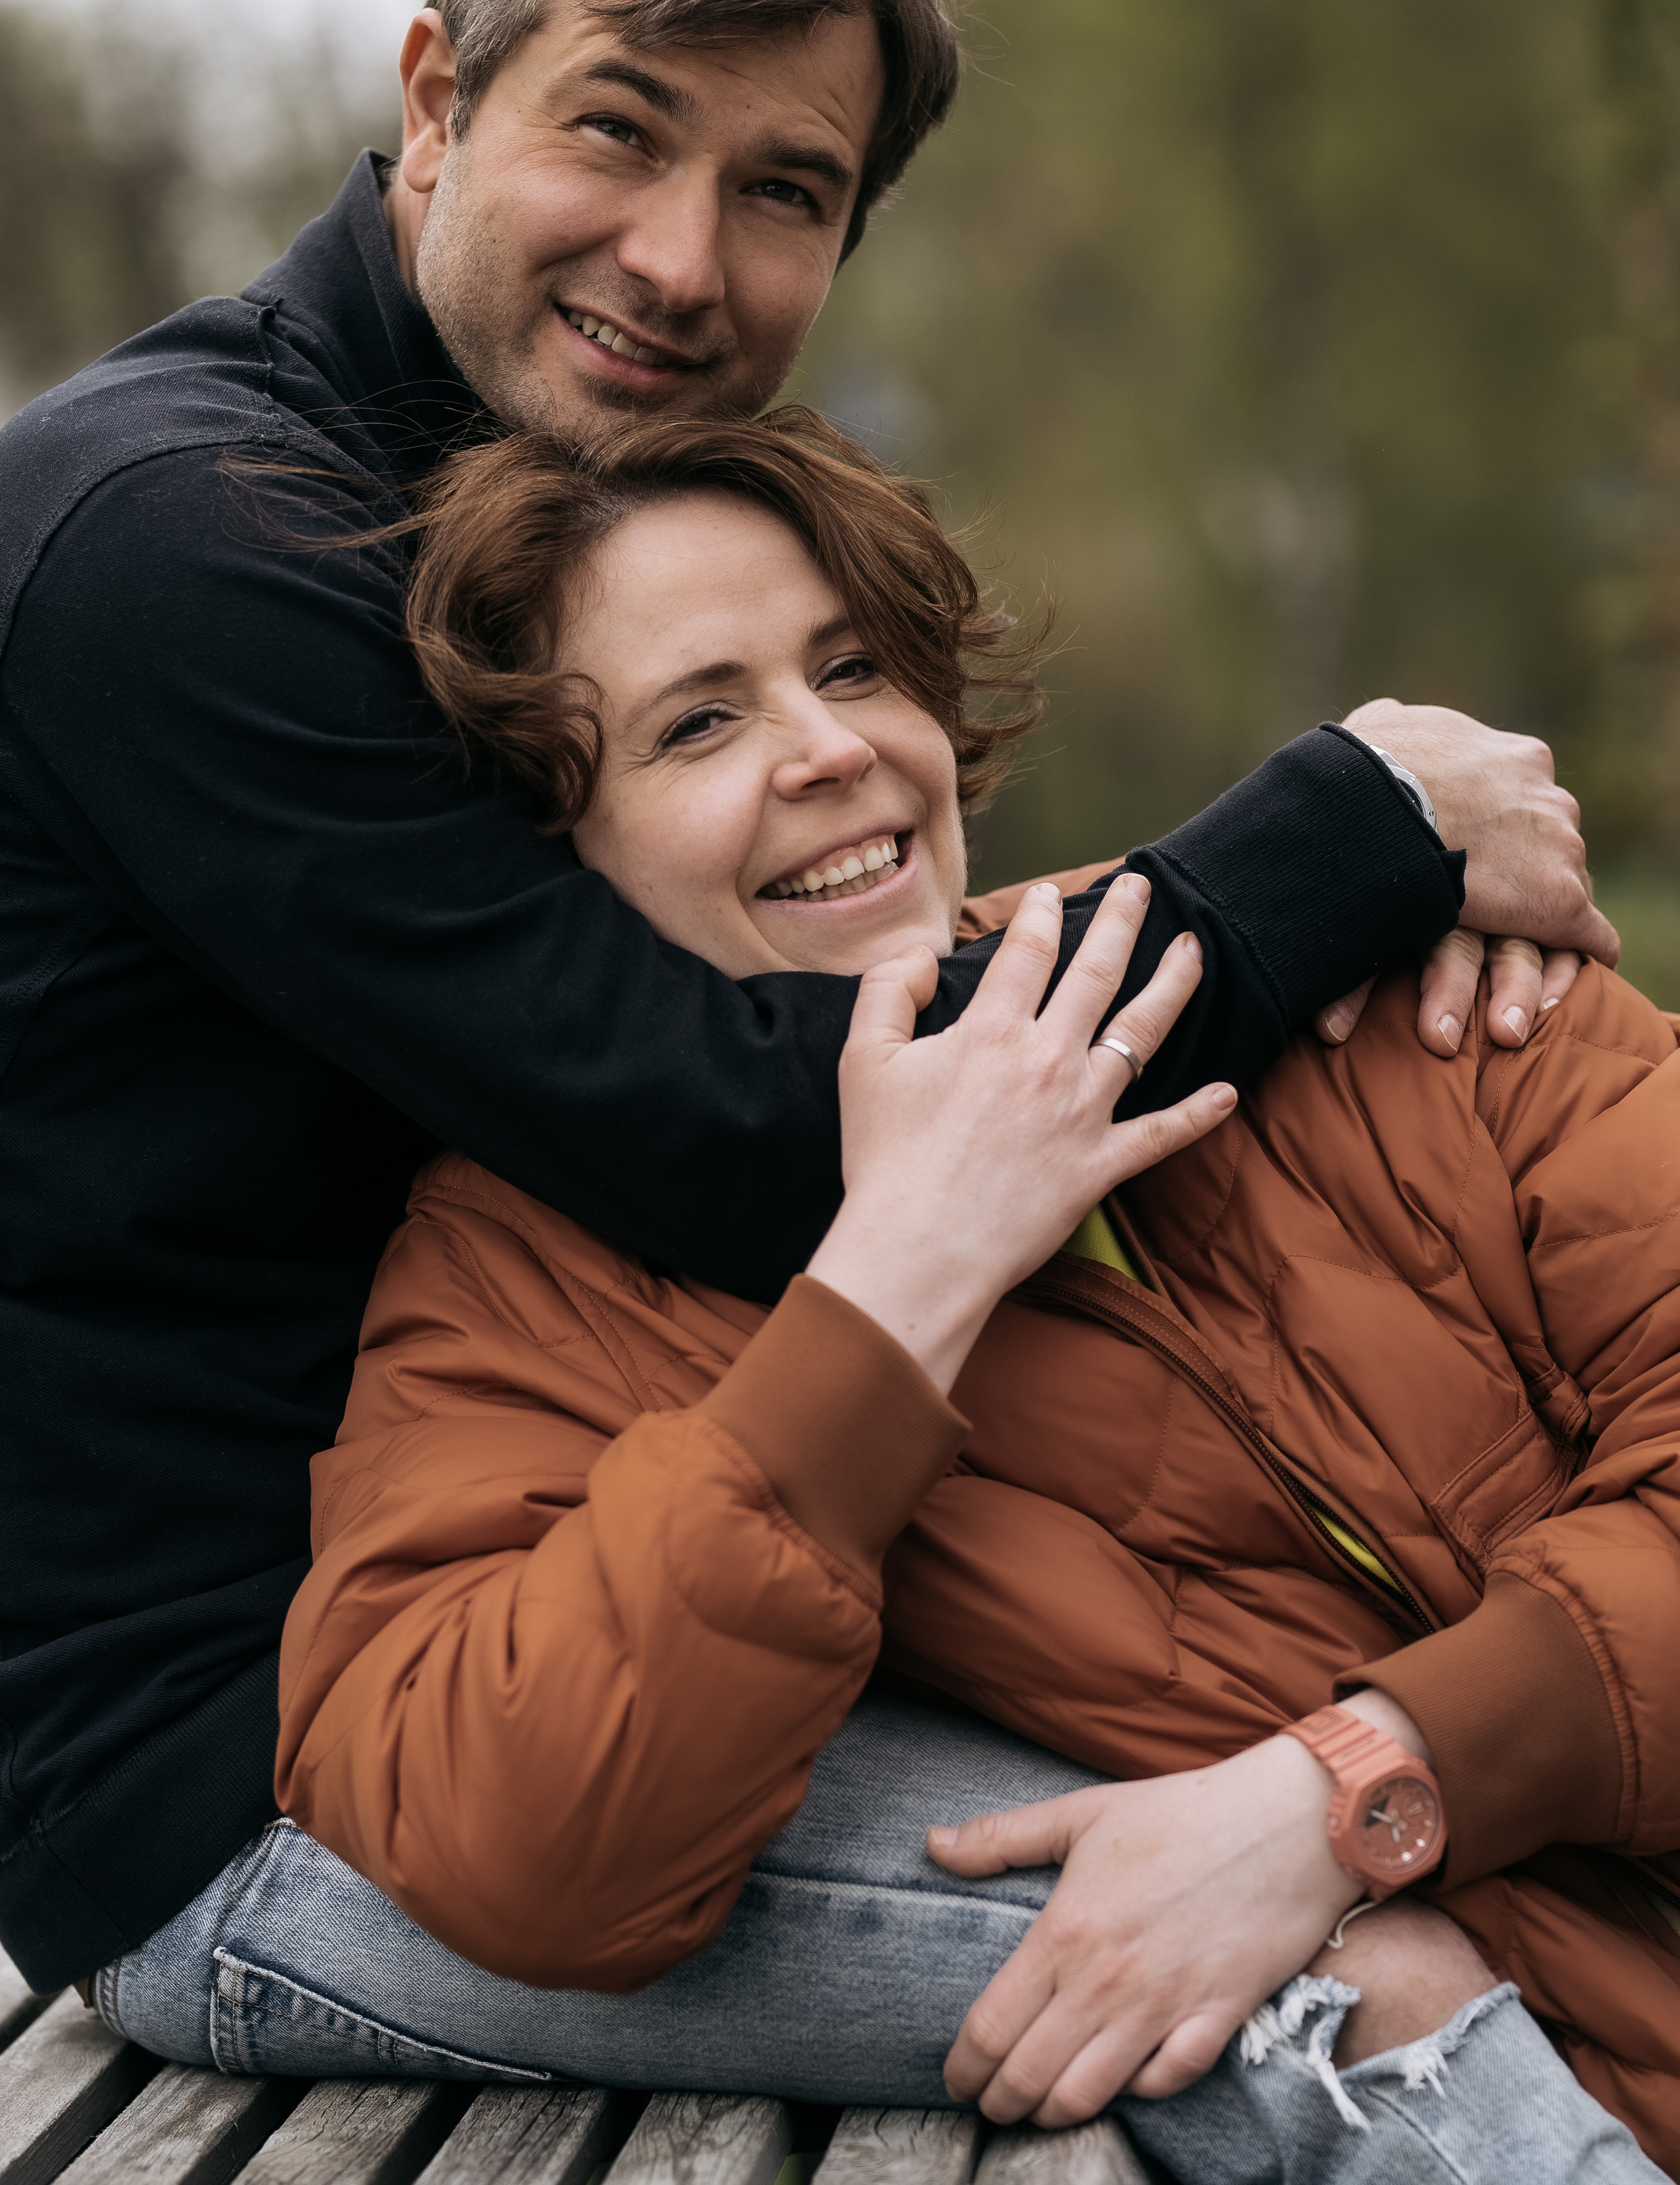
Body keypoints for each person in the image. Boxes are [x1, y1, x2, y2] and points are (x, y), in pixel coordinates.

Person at [0, 0, 1611, 2013]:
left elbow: (814, 957)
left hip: (651, 1585)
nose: (683, 258)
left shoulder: (544, 514)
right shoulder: (176, 539)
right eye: (621, 129)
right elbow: (750, 1121)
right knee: (1348, 1971)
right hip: (271, 1779)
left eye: (786, 190)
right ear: (435, 94)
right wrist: (1344, 829)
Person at [98, 416, 1673, 2185]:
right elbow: (517, 1832)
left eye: (855, 666)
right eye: (702, 721)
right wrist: (890, 1286)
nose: (834, 747)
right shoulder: (528, 1281)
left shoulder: (1387, 989)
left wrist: (1347, 1788)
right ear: (552, 860)